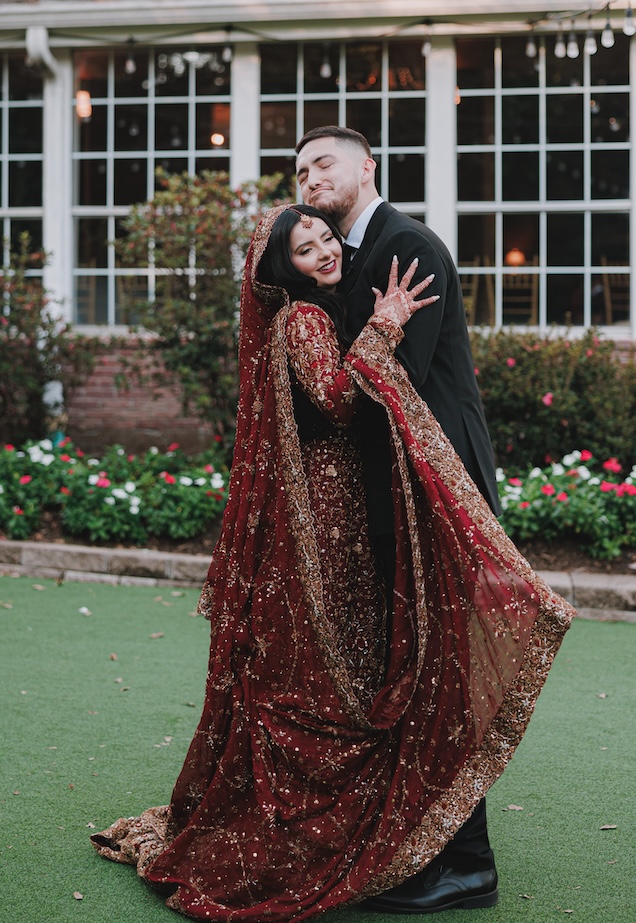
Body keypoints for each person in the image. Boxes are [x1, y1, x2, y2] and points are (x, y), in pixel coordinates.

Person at [91, 203, 574, 922]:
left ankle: (396, 823)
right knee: (347, 660)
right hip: (332, 503)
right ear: (283, 266)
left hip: (336, 495)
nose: (321, 248)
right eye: (303, 245)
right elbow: (341, 400)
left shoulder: (315, 311)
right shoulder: (306, 320)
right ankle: (350, 821)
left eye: (322, 235)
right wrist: (387, 323)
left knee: (355, 654)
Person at [295, 125, 500, 913]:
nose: (311, 175)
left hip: (436, 490)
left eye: (325, 162)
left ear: (366, 165)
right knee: (408, 667)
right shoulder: (350, 253)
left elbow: (391, 385)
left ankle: (467, 861)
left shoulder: (403, 243)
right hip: (395, 493)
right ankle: (417, 840)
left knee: (438, 669)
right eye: (301, 168)